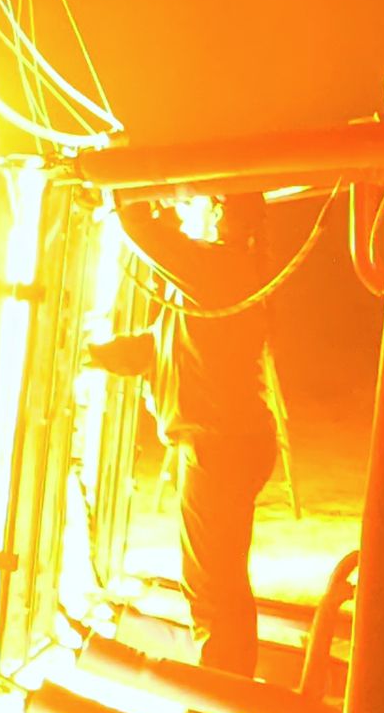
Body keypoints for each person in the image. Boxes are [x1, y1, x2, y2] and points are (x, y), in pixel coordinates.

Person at [94, 193, 280, 675]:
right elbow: (162, 348)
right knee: (219, 576)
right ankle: (227, 686)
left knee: (213, 584)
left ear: (221, 215)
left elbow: (143, 234)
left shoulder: (218, 269)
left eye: (206, 202)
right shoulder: (211, 276)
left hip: (219, 444)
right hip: (223, 442)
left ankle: (219, 698)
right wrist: (95, 354)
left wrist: (132, 193)